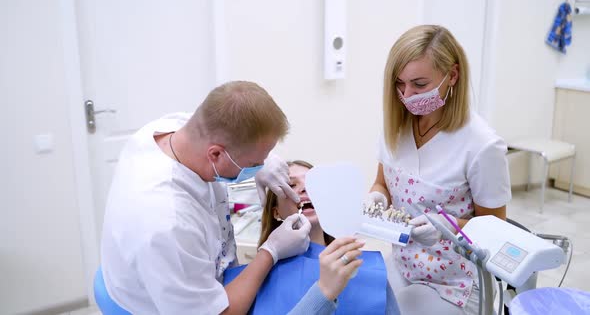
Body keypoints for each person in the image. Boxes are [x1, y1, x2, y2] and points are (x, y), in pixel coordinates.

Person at [99, 81, 313, 314]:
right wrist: (270, 251)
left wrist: (264, 159)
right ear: (215, 154)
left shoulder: (179, 127)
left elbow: (235, 121)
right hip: (149, 303)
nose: (261, 167)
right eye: (254, 164)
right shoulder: (166, 221)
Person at [365, 25, 511, 315]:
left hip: (457, 283)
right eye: (400, 83)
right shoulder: (396, 126)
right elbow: (382, 184)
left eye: (419, 84)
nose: (407, 95)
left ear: (452, 75)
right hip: (404, 265)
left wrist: (449, 228)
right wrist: (376, 197)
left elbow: (496, 230)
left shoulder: (481, 145)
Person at [225, 160, 400, 314]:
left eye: (313, 183)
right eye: (291, 185)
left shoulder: (371, 271)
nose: (304, 188)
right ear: (275, 211)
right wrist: (324, 291)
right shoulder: (251, 283)